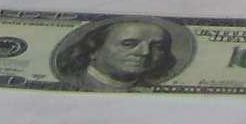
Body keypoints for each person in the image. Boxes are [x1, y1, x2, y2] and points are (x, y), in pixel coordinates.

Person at [52, 16, 187, 91]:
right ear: (94, 49)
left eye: (157, 46)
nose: (145, 52)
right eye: (129, 44)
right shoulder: (70, 83)